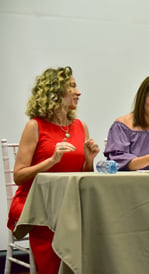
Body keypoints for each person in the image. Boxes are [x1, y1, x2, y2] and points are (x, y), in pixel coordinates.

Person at [8, 66, 100, 273]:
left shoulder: (80, 126)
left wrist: (89, 160)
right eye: (73, 86)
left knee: (96, 215)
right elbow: (19, 176)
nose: (79, 92)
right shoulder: (35, 126)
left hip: (69, 201)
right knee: (64, 218)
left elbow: (83, 176)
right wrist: (51, 161)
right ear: (56, 91)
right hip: (36, 202)